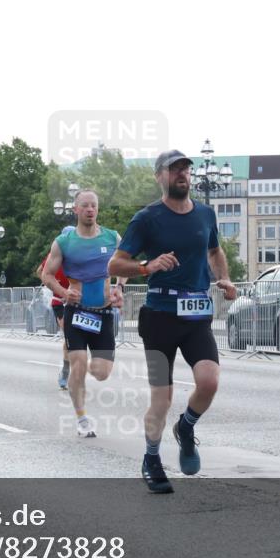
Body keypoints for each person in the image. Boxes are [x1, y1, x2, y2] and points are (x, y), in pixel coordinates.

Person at [107, 150, 238, 494]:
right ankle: (151, 458)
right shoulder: (147, 218)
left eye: (186, 169)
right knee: (161, 398)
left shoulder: (206, 214)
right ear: (159, 177)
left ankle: (186, 427)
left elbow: (213, 250)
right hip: (159, 319)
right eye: (174, 169)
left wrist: (223, 277)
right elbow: (115, 265)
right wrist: (146, 267)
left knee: (208, 382)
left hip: (196, 317)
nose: (182, 173)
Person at [41, 191, 125, 438]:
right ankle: (82, 419)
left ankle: (79, 370)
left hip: (103, 314)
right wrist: (64, 292)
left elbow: (126, 263)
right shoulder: (63, 242)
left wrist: (119, 286)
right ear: (75, 210)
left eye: (94, 206)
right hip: (76, 313)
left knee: (101, 372)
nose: (90, 209)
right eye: (85, 206)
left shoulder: (112, 237)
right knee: (78, 364)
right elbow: (46, 274)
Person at [38, 225, 75, 389]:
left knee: (78, 337)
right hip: (59, 300)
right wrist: (51, 284)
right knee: (69, 335)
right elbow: (40, 271)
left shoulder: (80, 255)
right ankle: (66, 372)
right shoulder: (54, 254)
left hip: (79, 300)